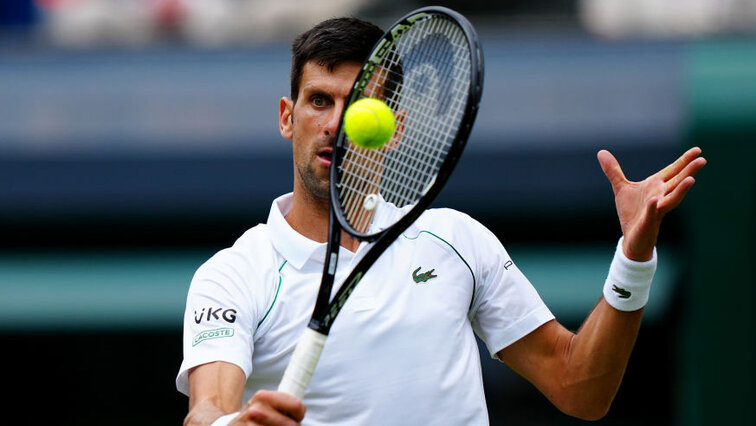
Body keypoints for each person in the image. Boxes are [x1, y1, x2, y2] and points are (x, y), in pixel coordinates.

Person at [176, 16, 706, 426]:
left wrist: (633, 259)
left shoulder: (455, 241)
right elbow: (208, 409)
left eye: (360, 104)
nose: (337, 123)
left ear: (393, 127)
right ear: (288, 118)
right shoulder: (233, 276)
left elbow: (580, 388)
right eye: (319, 101)